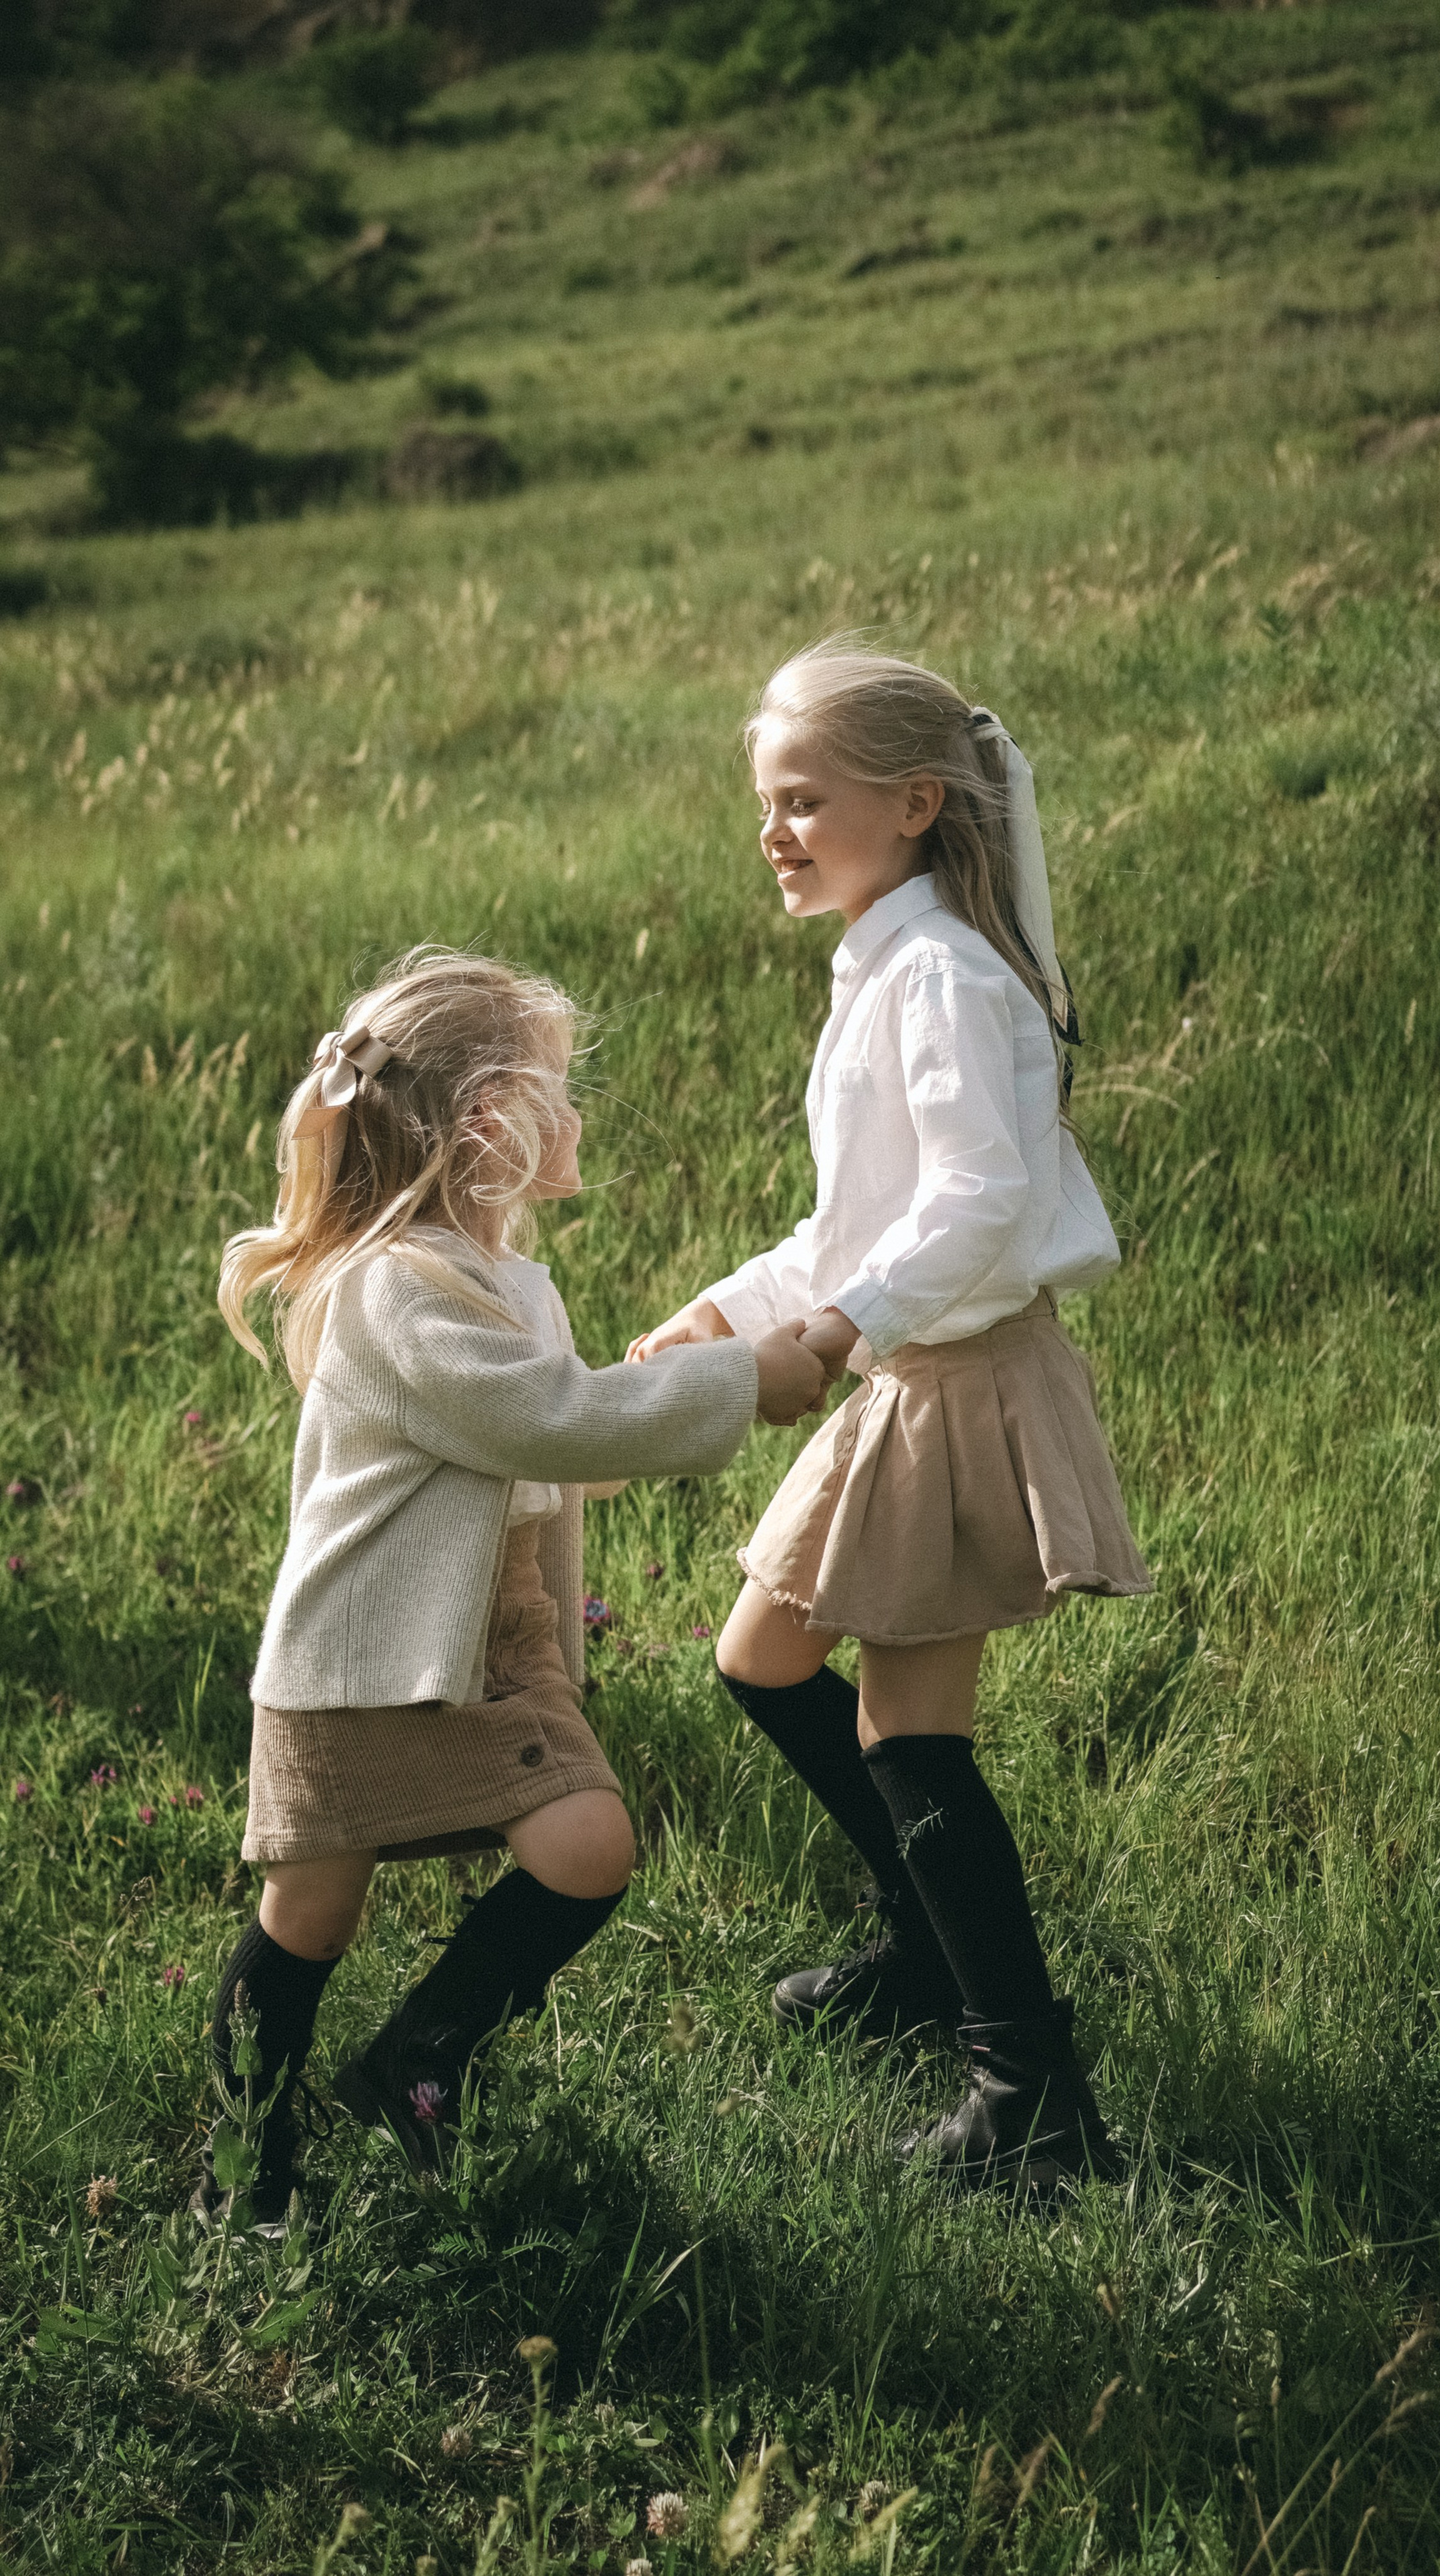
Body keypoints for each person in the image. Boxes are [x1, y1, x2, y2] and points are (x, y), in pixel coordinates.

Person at [628, 645, 1150, 2194]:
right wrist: (729, 1309)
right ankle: (927, 1963)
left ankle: (1028, 2098)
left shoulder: (936, 973)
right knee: (760, 1656)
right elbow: (862, 1214)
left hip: (953, 1379)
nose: (775, 831)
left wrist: (848, 1323)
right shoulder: (884, 958)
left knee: (905, 1733)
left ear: (916, 804)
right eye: (765, 805)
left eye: (807, 800)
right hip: (913, 1361)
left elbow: (980, 1199)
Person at [202, 946, 824, 2231]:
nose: (578, 1115)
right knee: (312, 1913)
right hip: (367, 1658)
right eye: (559, 1089)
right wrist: (735, 1385)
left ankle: (419, 2056)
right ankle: (244, 2172)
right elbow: (544, 1423)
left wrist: (653, 1375)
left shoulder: (500, 1277)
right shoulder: (395, 1289)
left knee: (586, 1848)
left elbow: (547, 1438)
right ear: (491, 1122)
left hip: (495, 1642)